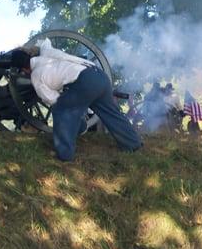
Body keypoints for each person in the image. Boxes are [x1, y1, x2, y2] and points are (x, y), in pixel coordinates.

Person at [10, 39, 142, 161]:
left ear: (24, 69)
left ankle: (65, 154)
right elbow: (45, 42)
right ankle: (133, 143)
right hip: (99, 75)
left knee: (61, 110)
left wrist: (72, 111)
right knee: (111, 112)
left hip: (85, 82)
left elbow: (52, 99)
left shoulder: (36, 75)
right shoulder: (47, 53)